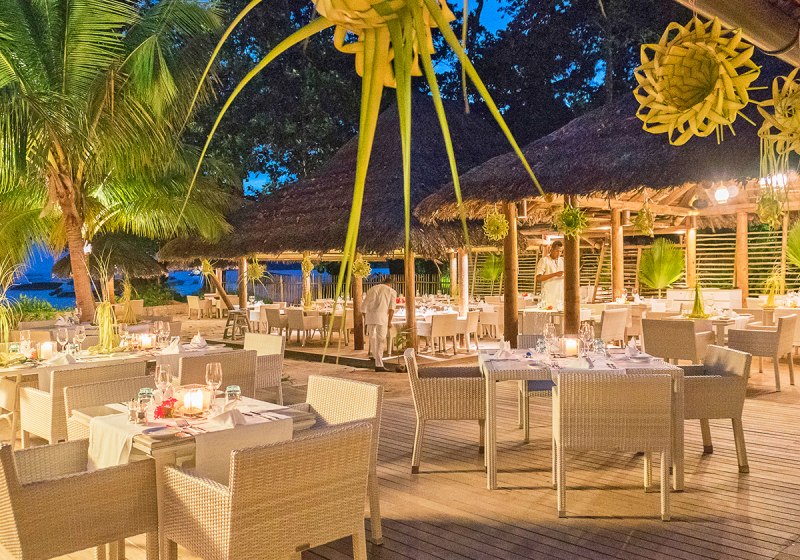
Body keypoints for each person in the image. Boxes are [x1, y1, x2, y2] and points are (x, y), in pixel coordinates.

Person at [363, 276, 397, 372]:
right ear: (390, 284)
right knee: (380, 340)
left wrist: (366, 318)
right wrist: (389, 322)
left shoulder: (372, 289)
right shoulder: (391, 291)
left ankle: (375, 356)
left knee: (372, 338)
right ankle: (379, 364)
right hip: (382, 318)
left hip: (370, 317)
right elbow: (391, 309)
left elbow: (364, 306)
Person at [535, 240, 564, 307]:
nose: (559, 253)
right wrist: (555, 274)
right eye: (557, 251)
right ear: (551, 250)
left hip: (561, 295)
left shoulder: (563, 261)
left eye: (560, 251)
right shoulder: (544, 260)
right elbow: (538, 278)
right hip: (549, 295)